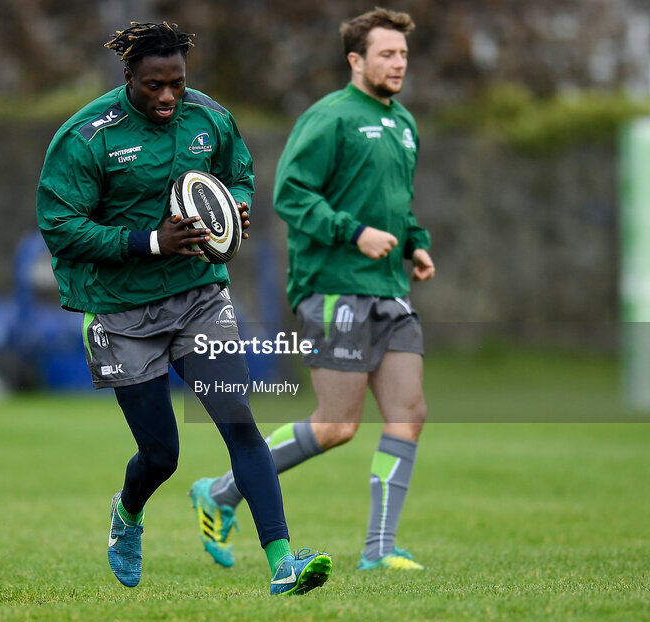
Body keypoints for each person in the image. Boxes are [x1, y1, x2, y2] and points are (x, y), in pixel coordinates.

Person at [35, 21, 332, 595]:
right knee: (161, 454)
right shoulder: (87, 137)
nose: (169, 97)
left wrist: (234, 207)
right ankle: (127, 513)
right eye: (154, 85)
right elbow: (61, 227)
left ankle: (283, 564)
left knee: (240, 425)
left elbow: (237, 172)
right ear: (129, 77)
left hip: (198, 297)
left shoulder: (209, 117)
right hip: (123, 313)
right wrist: (151, 240)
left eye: (177, 83)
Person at [189, 8, 435, 573]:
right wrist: (354, 233)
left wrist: (414, 242)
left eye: (402, 55)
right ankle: (221, 492)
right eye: (386, 54)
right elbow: (291, 196)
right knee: (337, 424)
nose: (398, 64)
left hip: (389, 288)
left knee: (410, 412)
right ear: (356, 60)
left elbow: (398, 201)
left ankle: (379, 549)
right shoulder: (329, 118)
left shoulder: (404, 123)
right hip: (332, 289)